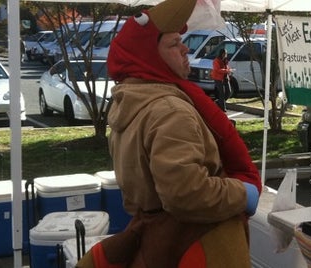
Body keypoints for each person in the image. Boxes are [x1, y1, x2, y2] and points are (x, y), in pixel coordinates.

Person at [76, 0, 262, 267]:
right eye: (174, 44)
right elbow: (187, 194)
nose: (185, 48)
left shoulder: (131, 102)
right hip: (194, 244)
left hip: (157, 238)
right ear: (150, 57)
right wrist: (244, 193)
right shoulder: (170, 110)